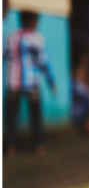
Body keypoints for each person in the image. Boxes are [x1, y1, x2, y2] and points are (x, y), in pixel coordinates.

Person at [2, 10, 56, 157]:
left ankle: (11, 147)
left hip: (12, 82)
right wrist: (51, 81)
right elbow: (44, 63)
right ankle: (39, 145)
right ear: (32, 21)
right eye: (36, 20)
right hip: (32, 83)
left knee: (11, 116)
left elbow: (3, 55)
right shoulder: (37, 39)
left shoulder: (11, 37)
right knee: (36, 115)